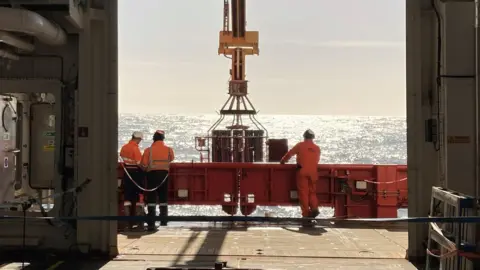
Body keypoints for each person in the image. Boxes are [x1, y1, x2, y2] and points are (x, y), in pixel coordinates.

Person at [280, 129, 321, 226]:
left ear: (304, 137)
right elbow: (317, 160)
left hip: (302, 172)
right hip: (313, 173)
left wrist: (283, 161)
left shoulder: (300, 145)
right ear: (313, 138)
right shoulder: (317, 148)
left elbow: (289, 154)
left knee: (303, 193)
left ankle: (306, 214)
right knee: (312, 192)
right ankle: (314, 208)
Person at [140, 130, 175, 231]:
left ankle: (151, 221)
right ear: (163, 139)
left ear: (153, 138)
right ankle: (163, 220)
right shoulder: (169, 150)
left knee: (152, 198)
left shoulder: (148, 150)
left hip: (152, 175)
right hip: (164, 175)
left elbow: (143, 164)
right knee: (163, 198)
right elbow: (172, 158)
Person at [119, 131, 145, 231]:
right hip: (136, 174)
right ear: (137, 139)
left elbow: (122, 157)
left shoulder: (124, 147)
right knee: (139, 196)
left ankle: (127, 222)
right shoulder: (135, 149)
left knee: (127, 197)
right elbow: (139, 163)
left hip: (127, 173)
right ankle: (139, 221)